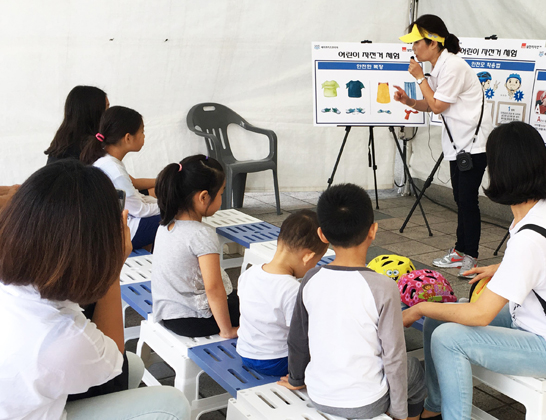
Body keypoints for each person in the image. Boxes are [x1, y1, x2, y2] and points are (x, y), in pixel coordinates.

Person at [402, 121, 546, 420]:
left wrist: (418, 307)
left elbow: (480, 316)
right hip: (544, 321)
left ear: (501, 170)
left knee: (448, 336)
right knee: (439, 318)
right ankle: (433, 408)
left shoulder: (528, 239)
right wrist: (501, 267)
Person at [0, 160, 190, 420]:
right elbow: (115, 358)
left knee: (134, 366)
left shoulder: (21, 285)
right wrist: (114, 267)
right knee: (171, 404)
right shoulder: (61, 336)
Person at [281, 183, 426, 420]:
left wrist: (296, 379)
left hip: (319, 395)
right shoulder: (383, 286)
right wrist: (397, 413)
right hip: (367, 403)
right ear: (373, 230)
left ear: (322, 235)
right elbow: (394, 355)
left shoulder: (310, 279)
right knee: (416, 371)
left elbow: (297, 337)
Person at [395, 14, 492, 276]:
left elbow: (438, 105)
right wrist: (409, 102)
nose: (413, 48)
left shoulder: (453, 66)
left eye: (417, 43)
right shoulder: (439, 67)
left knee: (468, 201)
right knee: (461, 199)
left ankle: (469, 254)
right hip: (459, 145)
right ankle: (461, 251)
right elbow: (431, 104)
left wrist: (419, 79)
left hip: (474, 145)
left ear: (434, 43)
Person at [151, 155, 238, 338]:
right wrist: (227, 330)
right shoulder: (201, 234)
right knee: (257, 302)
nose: (221, 198)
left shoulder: (165, 225)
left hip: (168, 314)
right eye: (221, 193)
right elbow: (213, 288)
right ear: (204, 197)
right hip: (195, 321)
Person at [236, 209, 329, 376]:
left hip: (246, 353)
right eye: (317, 261)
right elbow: (301, 337)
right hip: (276, 361)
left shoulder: (249, 273)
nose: (314, 266)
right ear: (307, 257)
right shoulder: (292, 290)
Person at [81, 106, 160, 250]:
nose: (144, 136)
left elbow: (134, 198)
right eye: (142, 132)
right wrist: (171, 206)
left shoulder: (105, 158)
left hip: (109, 227)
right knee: (176, 217)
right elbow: (139, 210)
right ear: (128, 138)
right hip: (117, 235)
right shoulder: (114, 170)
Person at [45, 85, 109, 164]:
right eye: (106, 108)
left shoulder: (61, 144)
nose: (109, 114)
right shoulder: (87, 152)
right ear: (94, 113)